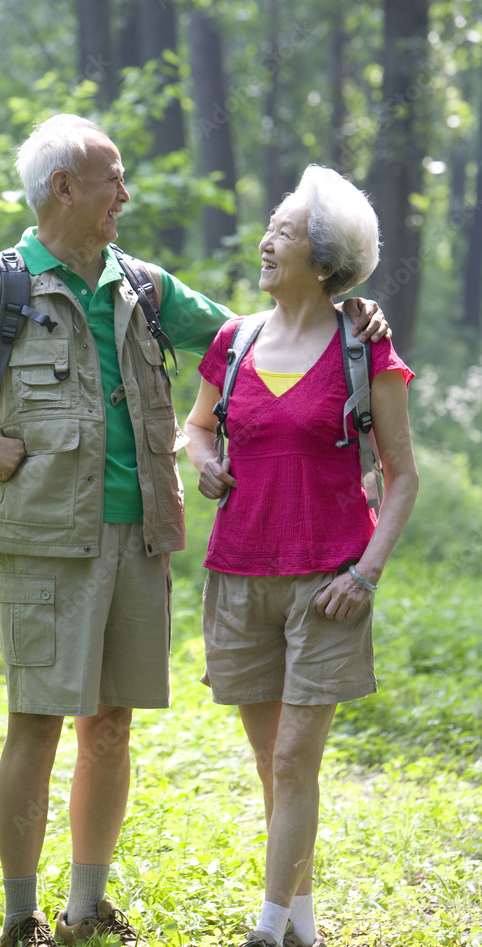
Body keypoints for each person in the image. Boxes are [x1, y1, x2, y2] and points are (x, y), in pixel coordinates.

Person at [0, 119, 389, 947]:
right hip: (41, 543)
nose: (126, 194)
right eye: (111, 178)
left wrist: (341, 306)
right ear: (62, 189)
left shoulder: (143, 286)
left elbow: (258, 339)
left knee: (111, 722)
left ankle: (86, 904)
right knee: (35, 721)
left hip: (139, 537)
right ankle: (19, 916)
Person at [184, 165, 418, 947]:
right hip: (238, 573)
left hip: (328, 582)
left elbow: (403, 476)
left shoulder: (363, 348)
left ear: (322, 260)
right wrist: (201, 458)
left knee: (292, 759)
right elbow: (197, 426)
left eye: (282, 231)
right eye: (271, 226)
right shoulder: (235, 338)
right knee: (273, 768)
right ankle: (304, 922)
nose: (264, 240)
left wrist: (365, 572)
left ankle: (266, 927)